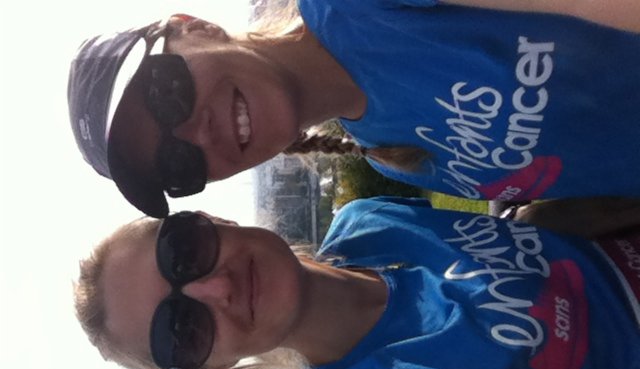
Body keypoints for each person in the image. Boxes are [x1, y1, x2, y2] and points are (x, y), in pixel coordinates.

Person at [74, 196, 640, 369]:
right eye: (182, 328)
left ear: (211, 221)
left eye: (183, 252)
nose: (215, 287)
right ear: (211, 364)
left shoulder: (369, 220)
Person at [67, 2, 640, 218]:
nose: (197, 132)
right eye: (177, 165)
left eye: (165, 93)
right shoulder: (396, 158)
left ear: (193, 27)